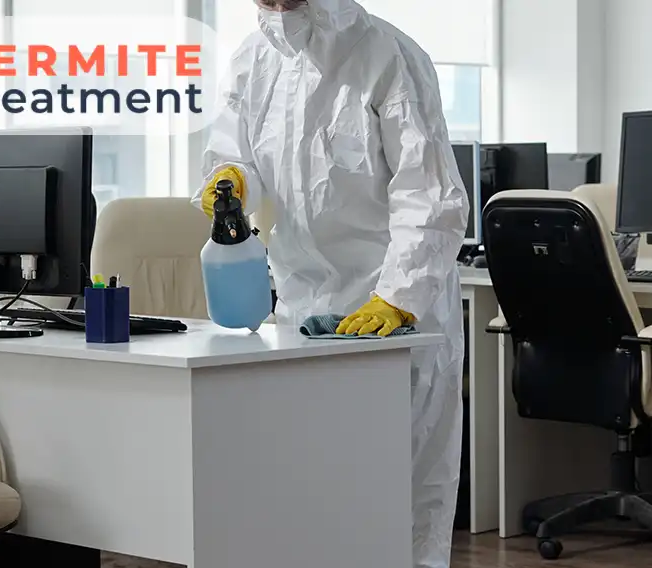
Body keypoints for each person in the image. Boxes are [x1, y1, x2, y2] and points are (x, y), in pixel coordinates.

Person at [194, 1, 470, 567]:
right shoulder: (252, 62)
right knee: (312, 494)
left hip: (396, 316)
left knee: (402, 499)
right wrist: (229, 179)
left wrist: (397, 297)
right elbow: (233, 154)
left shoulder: (386, 55)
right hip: (303, 313)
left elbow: (430, 196)